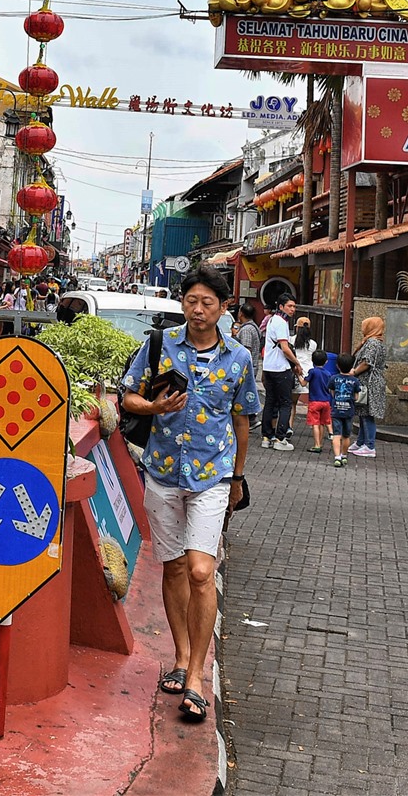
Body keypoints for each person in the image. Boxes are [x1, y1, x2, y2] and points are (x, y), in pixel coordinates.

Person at [118, 267, 258, 726]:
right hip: (160, 473)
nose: (199, 309)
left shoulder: (238, 359)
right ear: (183, 303)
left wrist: (237, 479)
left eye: (208, 302)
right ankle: (180, 657)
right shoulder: (158, 346)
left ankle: (196, 677)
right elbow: (127, 399)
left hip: (212, 477)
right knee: (174, 565)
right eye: (192, 300)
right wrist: (155, 406)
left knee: (201, 570)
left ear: (223, 307)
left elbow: (242, 421)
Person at [259, 296, 299, 450]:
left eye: (294, 306)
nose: (292, 309)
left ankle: (266, 436)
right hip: (280, 369)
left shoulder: (271, 320)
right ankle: (280, 438)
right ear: (281, 306)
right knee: (285, 403)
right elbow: (285, 348)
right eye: (290, 306)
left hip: (269, 367)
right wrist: (297, 363)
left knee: (270, 402)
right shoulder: (281, 323)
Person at [345, 316, 388, 458]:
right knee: (364, 413)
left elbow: (367, 362)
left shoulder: (372, 343)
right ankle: (361, 442)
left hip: (369, 382)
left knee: (368, 414)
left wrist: (354, 371)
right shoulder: (376, 342)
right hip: (370, 382)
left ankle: (369, 445)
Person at [304, 349, 337, 456]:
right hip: (326, 402)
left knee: (315, 424)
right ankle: (321, 443)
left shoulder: (312, 372)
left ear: (312, 360)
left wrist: (298, 375)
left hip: (314, 401)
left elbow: (304, 383)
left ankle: (317, 445)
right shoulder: (328, 373)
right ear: (326, 362)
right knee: (322, 423)